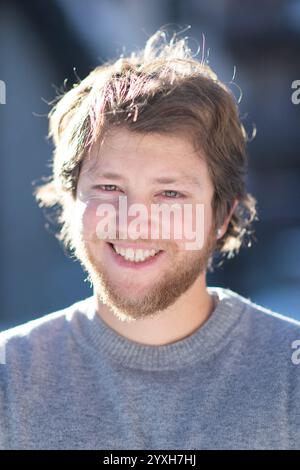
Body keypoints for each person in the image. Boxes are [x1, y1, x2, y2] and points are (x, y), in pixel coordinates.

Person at [0, 29, 299, 450]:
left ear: (222, 215)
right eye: (109, 188)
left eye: (170, 193)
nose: (135, 222)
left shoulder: (291, 378)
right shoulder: (9, 377)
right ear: (70, 201)